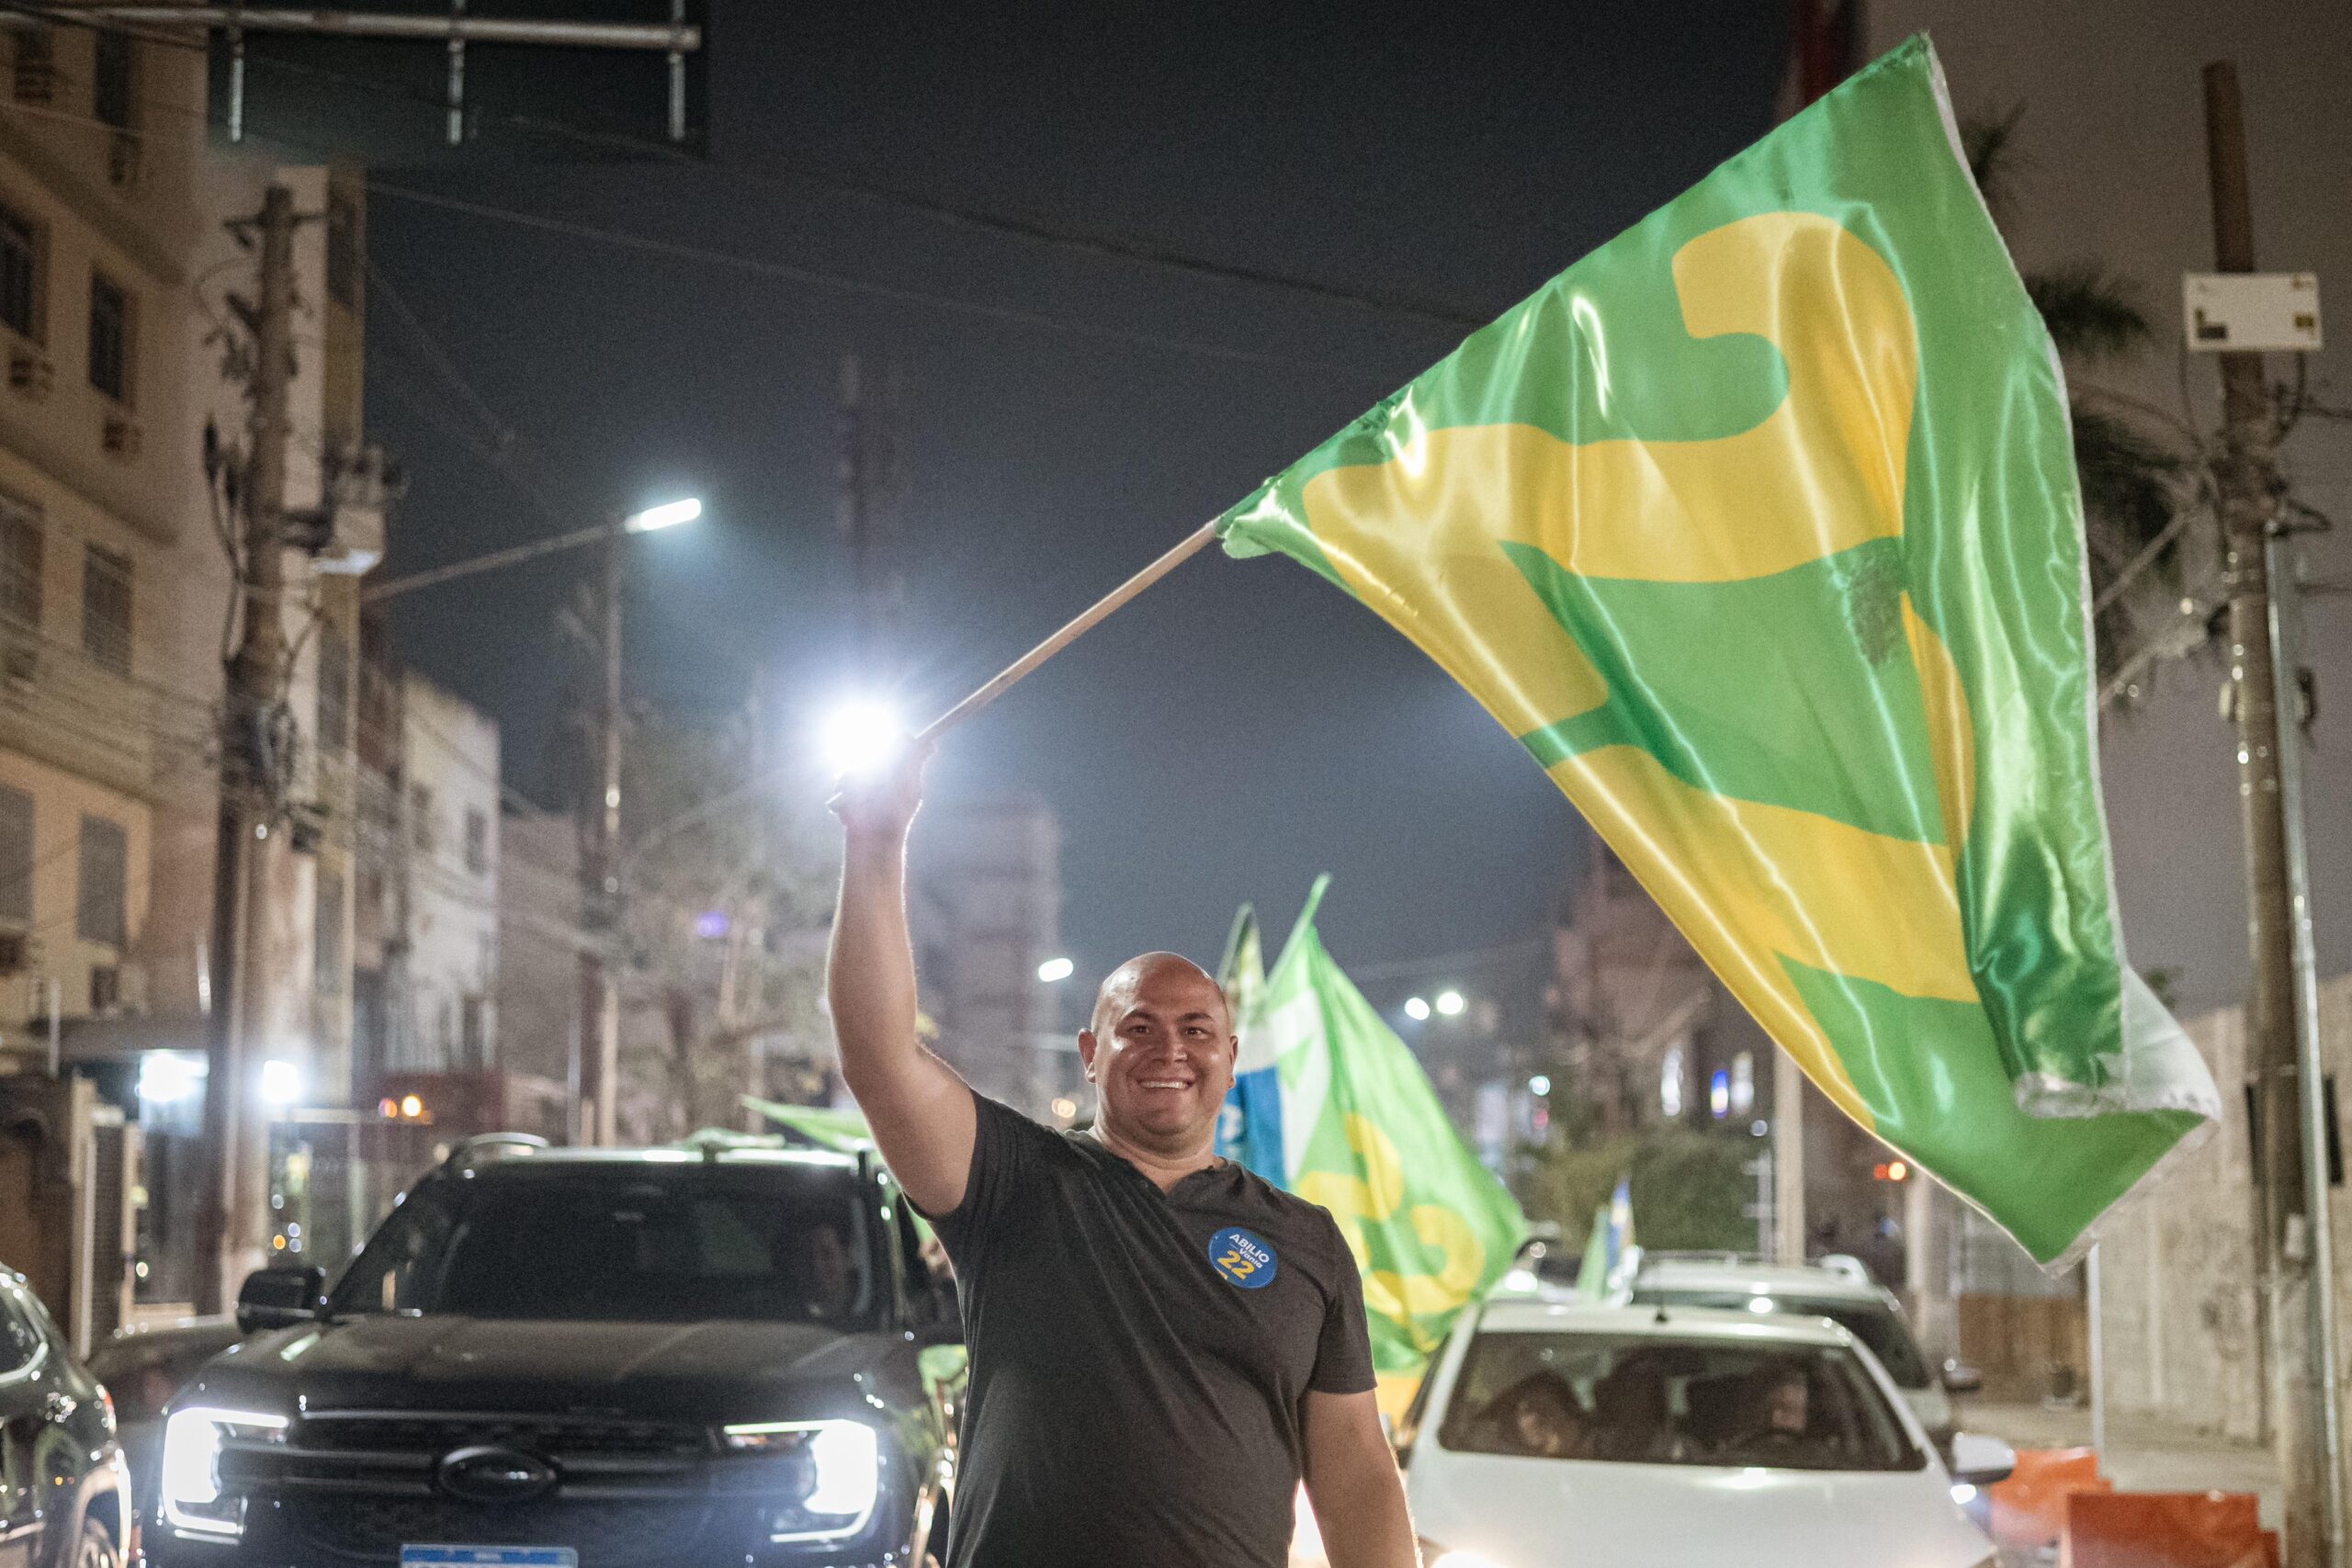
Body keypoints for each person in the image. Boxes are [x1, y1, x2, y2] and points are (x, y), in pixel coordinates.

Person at [827, 743, 1418, 1568]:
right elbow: (879, 1058)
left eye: (1196, 1030)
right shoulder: (1010, 1182)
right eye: (1137, 1027)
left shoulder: (1306, 1240)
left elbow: (1355, 1465)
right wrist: (878, 841)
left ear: (1230, 1055)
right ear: (1090, 1053)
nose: (1168, 1048)